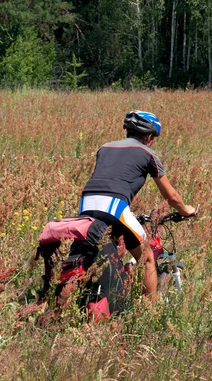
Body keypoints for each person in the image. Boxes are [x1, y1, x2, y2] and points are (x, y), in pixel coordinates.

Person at [79, 110, 196, 298]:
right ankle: (150, 312)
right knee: (147, 257)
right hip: (115, 208)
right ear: (149, 136)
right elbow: (171, 196)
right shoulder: (147, 153)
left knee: (109, 252)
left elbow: (110, 182)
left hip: (85, 205)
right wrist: (186, 210)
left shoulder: (104, 148)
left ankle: (109, 294)